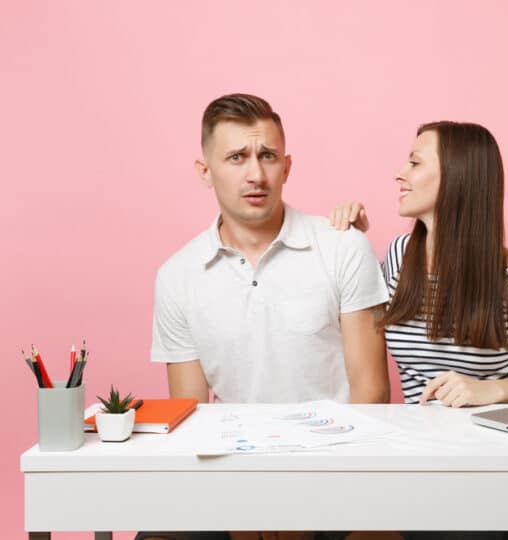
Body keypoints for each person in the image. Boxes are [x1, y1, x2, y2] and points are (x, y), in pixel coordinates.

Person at [330, 121, 508, 540]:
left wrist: (489, 390)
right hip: (429, 463)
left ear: (457, 178)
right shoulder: (396, 258)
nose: (399, 173)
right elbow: (340, 312)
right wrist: (348, 243)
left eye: (414, 162)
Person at [139, 94, 391, 540]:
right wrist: (241, 505)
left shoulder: (342, 247)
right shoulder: (177, 276)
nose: (256, 174)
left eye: (267, 156)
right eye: (236, 157)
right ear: (205, 171)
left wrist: (306, 505)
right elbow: (194, 415)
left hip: (339, 474)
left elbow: (372, 393)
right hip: (235, 480)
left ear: (287, 167)